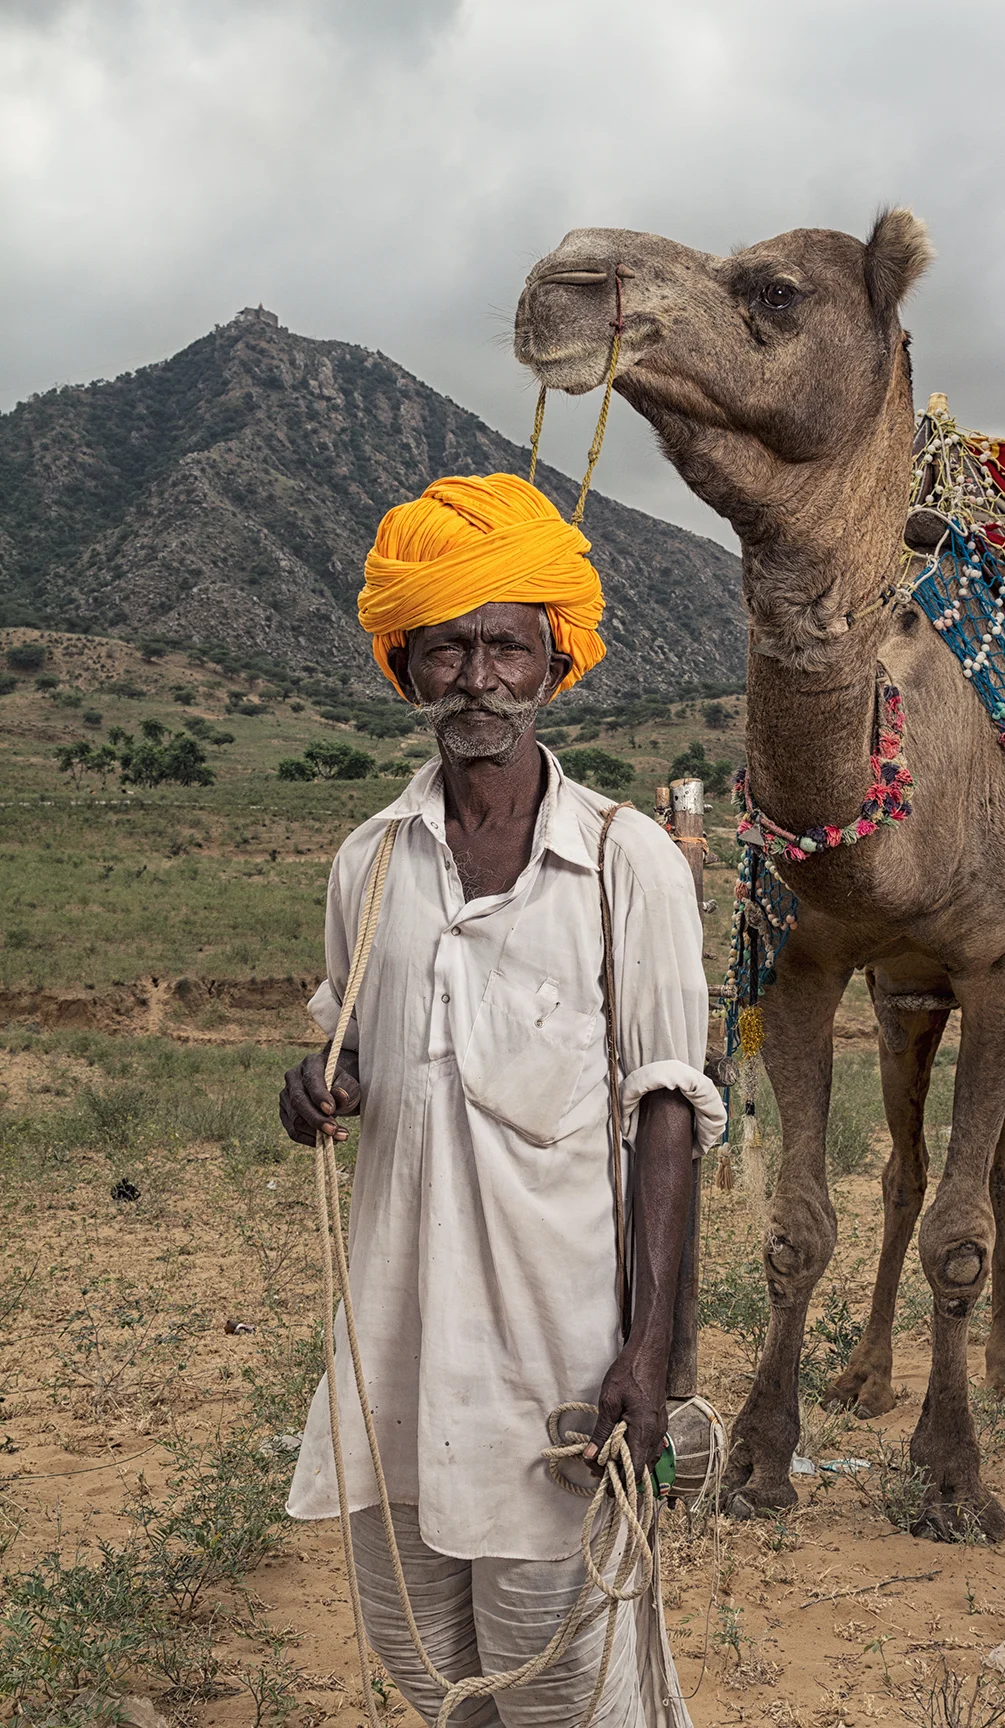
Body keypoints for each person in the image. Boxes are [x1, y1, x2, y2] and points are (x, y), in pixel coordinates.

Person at [279, 473, 724, 1727]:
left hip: (560, 1372)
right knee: (426, 1671)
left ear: (553, 661)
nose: (477, 677)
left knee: (570, 1678)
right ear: (407, 665)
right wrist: (317, 1090)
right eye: (448, 649)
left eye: (504, 647)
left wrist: (651, 1353)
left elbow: (669, 1120)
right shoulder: (368, 863)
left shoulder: (625, 861)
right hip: (400, 1357)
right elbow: (355, 1049)